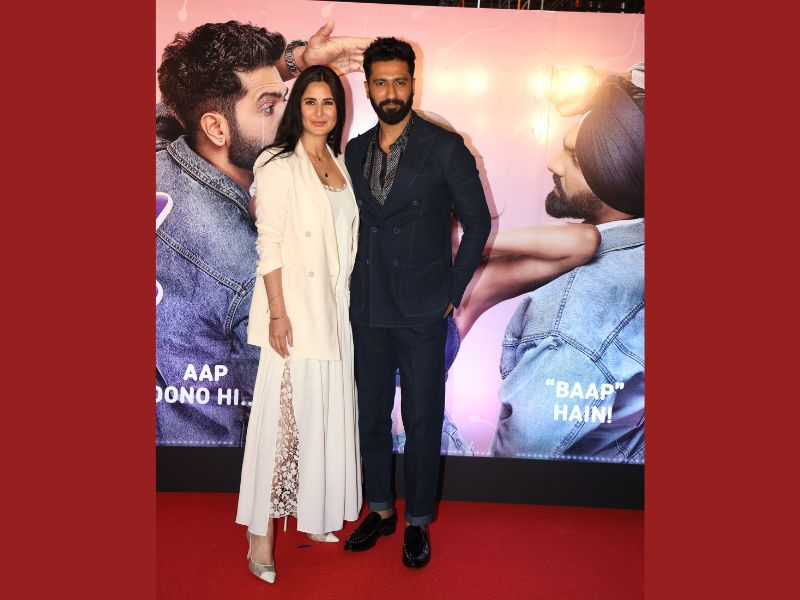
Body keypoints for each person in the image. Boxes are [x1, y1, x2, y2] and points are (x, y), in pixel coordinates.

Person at [156, 21, 371, 447]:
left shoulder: (158, 150)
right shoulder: (247, 268)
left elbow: (177, 105)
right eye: (269, 107)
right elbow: (289, 403)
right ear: (216, 128)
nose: (293, 117)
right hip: (216, 465)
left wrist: (296, 61)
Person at [342, 37, 491, 568]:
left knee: (423, 419)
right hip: (368, 304)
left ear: (413, 83)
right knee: (370, 416)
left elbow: (477, 223)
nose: (391, 92)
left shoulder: (444, 147)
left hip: (424, 309)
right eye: (381, 82)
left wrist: (453, 291)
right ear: (368, 87)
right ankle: (381, 509)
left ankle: (418, 520)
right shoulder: (355, 150)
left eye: (400, 82)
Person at [234, 65, 362, 584]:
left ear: (338, 110)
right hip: (293, 313)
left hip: (334, 310)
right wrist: (278, 312)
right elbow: (269, 243)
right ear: (297, 108)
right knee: (282, 424)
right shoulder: (277, 162)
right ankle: (259, 535)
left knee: (321, 417)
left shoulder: (340, 162)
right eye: (310, 101)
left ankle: (313, 511)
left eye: (328, 102)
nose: (319, 111)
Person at [490, 75, 644, 463]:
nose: (552, 163)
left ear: (616, 174)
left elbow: (513, 470)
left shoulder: (574, 316)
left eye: (574, 158)